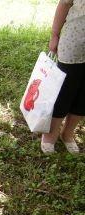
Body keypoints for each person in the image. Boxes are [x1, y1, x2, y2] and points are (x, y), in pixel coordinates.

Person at [41, 0, 85, 153]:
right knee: (64, 91)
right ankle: (50, 134)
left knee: (83, 96)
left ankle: (67, 133)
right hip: (74, 44)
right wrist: (54, 35)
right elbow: (65, 3)